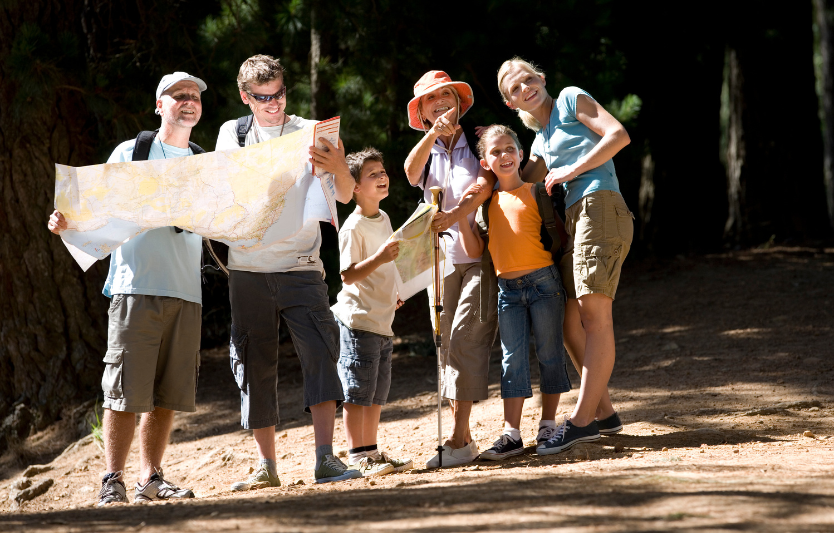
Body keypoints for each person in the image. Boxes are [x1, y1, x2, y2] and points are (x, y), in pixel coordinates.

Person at [48, 72, 208, 505]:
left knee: (165, 395)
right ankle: (111, 480)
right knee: (122, 391)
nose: (188, 101)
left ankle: (150, 479)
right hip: (134, 288)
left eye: (194, 96)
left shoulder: (202, 159)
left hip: (186, 291)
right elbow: (94, 207)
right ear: (160, 104)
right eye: (179, 95)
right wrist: (69, 223)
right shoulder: (132, 151)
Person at [215, 55, 361, 488]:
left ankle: (326, 459)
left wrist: (336, 164)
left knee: (320, 355)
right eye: (263, 98)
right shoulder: (232, 134)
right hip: (247, 267)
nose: (274, 104)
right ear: (246, 97)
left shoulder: (312, 129)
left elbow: (349, 194)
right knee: (254, 361)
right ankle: (266, 466)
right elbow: (225, 191)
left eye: (278, 94)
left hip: (303, 267)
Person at [496, 57, 633, 453]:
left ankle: (581, 422)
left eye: (528, 79)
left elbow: (618, 135)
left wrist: (571, 169)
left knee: (594, 317)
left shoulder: (571, 100)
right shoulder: (538, 142)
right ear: (511, 104)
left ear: (542, 77)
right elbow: (516, 179)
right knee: (569, 322)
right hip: (577, 221)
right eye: (515, 88)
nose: (525, 88)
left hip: (599, 204)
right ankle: (604, 413)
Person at [457, 125, 572, 460]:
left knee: (550, 354)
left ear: (521, 154)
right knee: (512, 360)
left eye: (510, 148)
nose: (504, 156)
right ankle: (512, 435)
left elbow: (557, 237)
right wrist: (463, 220)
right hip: (507, 291)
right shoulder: (487, 203)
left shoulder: (537, 192)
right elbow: (478, 247)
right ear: (485, 162)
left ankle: (548, 425)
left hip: (544, 284)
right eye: (495, 152)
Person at [403, 70, 497, 468]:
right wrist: (432, 136)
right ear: (422, 111)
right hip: (438, 262)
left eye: (447, 95)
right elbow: (410, 173)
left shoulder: (478, 142)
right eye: (431, 99)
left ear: (459, 102)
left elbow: (485, 186)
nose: (440, 101)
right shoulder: (426, 151)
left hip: (478, 256)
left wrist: (457, 214)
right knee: (447, 348)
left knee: (465, 338)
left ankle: (457, 438)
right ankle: (464, 438)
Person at [330, 148, 413, 476]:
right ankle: (356, 455)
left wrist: (396, 291)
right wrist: (379, 258)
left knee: (377, 392)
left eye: (383, 171)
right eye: (372, 174)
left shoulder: (385, 218)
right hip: (358, 320)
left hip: (382, 320)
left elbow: (388, 263)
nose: (382, 177)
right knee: (357, 391)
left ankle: (372, 452)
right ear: (355, 188)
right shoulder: (352, 227)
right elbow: (348, 274)